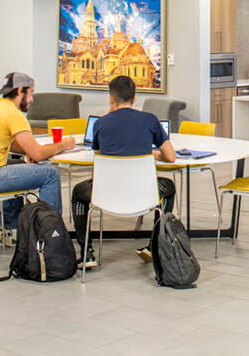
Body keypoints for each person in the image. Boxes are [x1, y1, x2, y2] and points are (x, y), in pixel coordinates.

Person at [71, 75, 176, 269]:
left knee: (78, 193)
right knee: (168, 187)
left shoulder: (100, 124)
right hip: (145, 193)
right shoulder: (150, 120)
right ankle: (154, 246)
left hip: (107, 193)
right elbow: (170, 157)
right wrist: (150, 153)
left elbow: (99, 155)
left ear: (111, 99)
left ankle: (87, 253)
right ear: (135, 98)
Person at [0, 72, 75, 247]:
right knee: (50, 173)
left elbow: (12, 145)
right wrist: (63, 145)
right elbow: (38, 154)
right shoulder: (13, 114)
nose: (32, 100)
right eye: (31, 93)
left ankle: (6, 227)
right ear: (21, 91)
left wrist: (27, 150)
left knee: (19, 165)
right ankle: (51, 234)